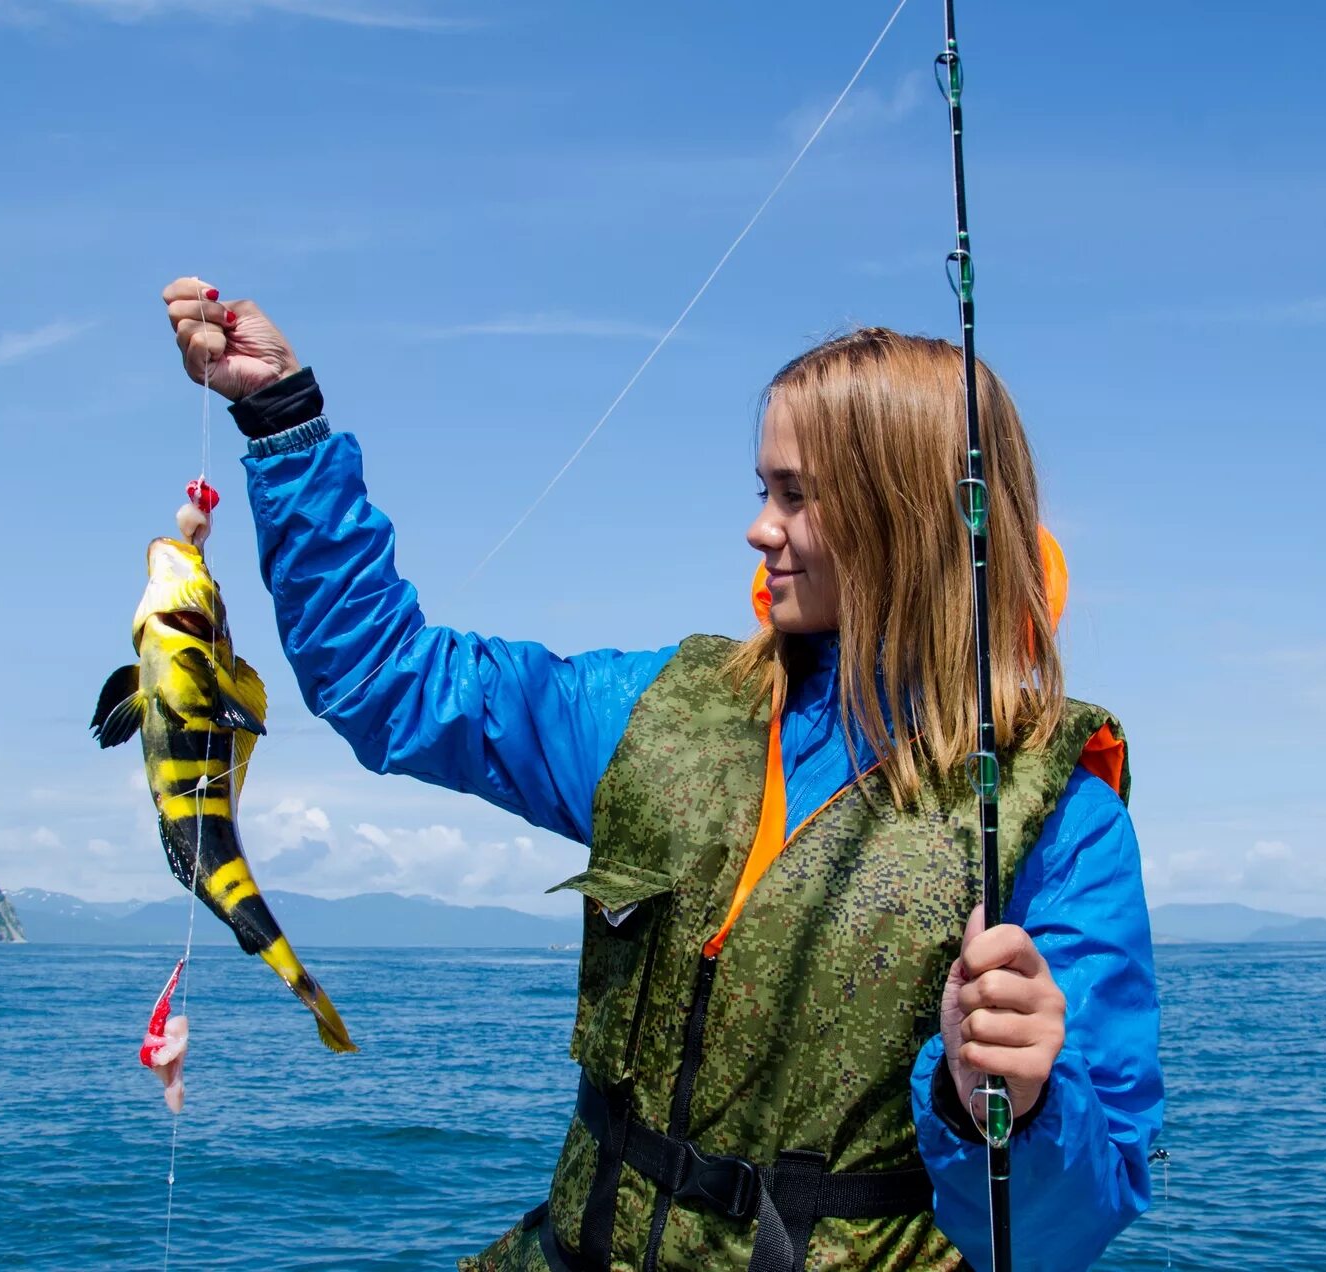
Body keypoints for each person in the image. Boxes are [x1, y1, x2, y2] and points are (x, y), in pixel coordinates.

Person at [160, 278, 1163, 1272]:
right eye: (762, 490)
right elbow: (390, 682)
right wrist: (281, 418)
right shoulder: (650, 711)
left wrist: (1013, 1103)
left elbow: (1063, 1230)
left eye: (797, 497)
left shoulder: (1062, 818)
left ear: (904, 516)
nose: (759, 528)